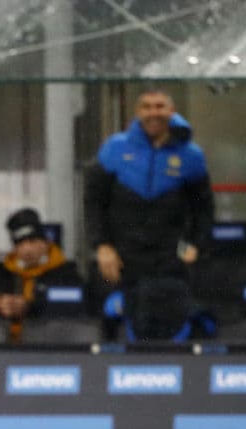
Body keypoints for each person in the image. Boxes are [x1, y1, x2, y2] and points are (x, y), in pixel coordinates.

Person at [85, 88, 214, 338]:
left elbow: (204, 209)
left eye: (159, 106)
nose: (153, 113)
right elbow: (93, 202)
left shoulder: (191, 156)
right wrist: (102, 246)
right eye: (146, 106)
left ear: (171, 111)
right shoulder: (114, 149)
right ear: (137, 113)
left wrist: (196, 245)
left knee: (174, 329)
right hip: (123, 259)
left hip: (169, 262)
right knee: (118, 326)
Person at [0, 208, 84, 343]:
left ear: (45, 242)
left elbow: (75, 312)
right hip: (4, 351)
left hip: (48, 350)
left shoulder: (66, 273)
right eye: (20, 243)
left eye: (32, 241)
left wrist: (29, 307)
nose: (27, 249)